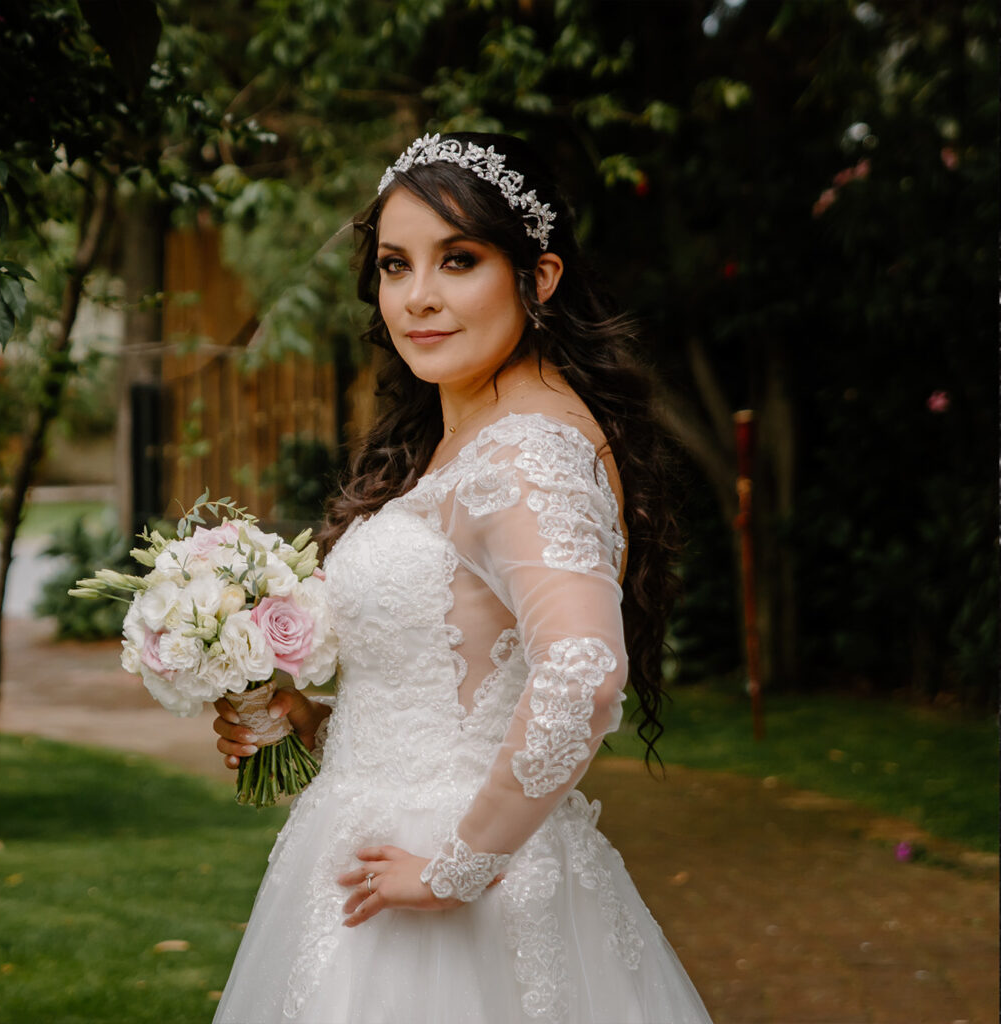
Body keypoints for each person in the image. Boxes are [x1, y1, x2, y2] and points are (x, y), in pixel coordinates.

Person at [209, 133, 713, 1024]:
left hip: (445, 904)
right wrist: (307, 716)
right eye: (396, 267)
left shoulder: (526, 453)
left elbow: (584, 673)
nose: (420, 298)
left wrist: (459, 864)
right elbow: (459, 682)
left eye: (460, 260)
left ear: (540, 276)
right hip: (377, 867)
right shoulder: (463, 436)